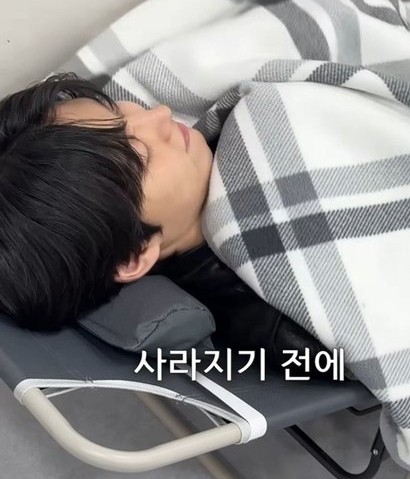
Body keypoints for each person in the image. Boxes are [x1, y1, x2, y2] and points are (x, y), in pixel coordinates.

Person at [0, 72, 331, 376]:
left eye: (119, 110)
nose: (159, 114)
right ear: (134, 256)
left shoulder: (204, 155)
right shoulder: (286, 319)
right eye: (140, 154)